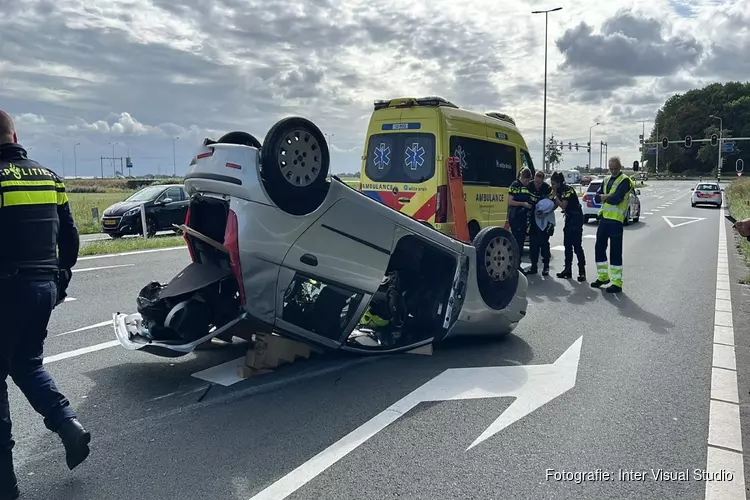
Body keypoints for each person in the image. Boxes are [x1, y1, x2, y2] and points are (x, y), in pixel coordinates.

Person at [0, 110, 90, 500]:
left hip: (6, 287)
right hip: (43, 288)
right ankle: (68, 424)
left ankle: (6, 484)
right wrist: (59, 277)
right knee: (26, 363)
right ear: (14, 134)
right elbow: (70, 240)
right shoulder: (49, 177)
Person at [591, 156, 634, 293]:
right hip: (604, 219)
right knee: (599, 249)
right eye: (611, 168)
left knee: (615, 252)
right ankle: (603, 277)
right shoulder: (606, 179)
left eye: (615, 168)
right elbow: (596, 197)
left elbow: (616, 199)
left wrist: (605, 197)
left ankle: (617, 282)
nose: (613, 171)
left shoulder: (626, 181)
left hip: (616, 221)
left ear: (620, 167)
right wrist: (606, 197)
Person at [550, 171, 586, 281]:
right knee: (567, 245)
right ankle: (567, 270)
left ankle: (582, 272)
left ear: (558, 182)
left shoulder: (567, 190)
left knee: (577, 246)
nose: (552, 186)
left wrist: (555, 195)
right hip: (569, 219)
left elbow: (563, 205)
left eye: (553, 184)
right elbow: (556, 205)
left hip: (576, 219)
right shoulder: (560, 190)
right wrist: (546, 212)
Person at [525, 170, 556, 276]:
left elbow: (552, 204)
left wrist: (545, 213)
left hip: (544, 219)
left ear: (542, 181)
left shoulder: (547, 188)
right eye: (535, 182)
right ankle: (533, 266)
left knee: (544, 244)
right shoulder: (529, 186)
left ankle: (546, 266)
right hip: (533, 219)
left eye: (539, 182)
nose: (536, 184)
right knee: (533, 244)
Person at [507, 167, 533, 267]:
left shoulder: (526, 187)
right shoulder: (515, 185)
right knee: (516, 242)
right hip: (515, 217)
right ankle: (515, 265)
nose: (528, 182)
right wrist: (523, 204)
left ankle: (518, 264)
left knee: (521, 242)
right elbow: (510, 201)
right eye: (527, 180)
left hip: (523, 218)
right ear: (524, 178)